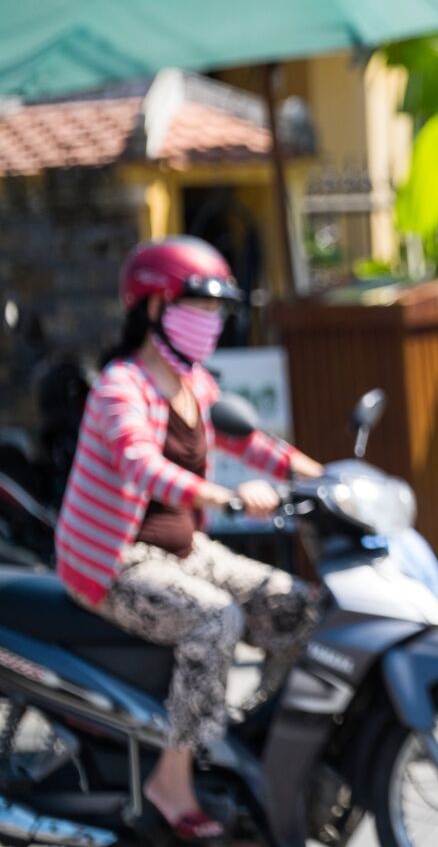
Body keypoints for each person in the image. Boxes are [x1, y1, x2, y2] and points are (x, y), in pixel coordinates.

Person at [53, 237, 324, 844]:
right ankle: (171, 780)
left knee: (297, 607)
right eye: (195, 308)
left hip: (180, 550)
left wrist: (317, 474)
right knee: (216, 619)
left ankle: (252, 739)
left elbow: (248, 442)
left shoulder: (192, 383)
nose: (209, 324)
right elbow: (141, 466)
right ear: (153, 308)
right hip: (114, 560)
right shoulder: (120, 387)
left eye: (215, 312)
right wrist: (227, 498)